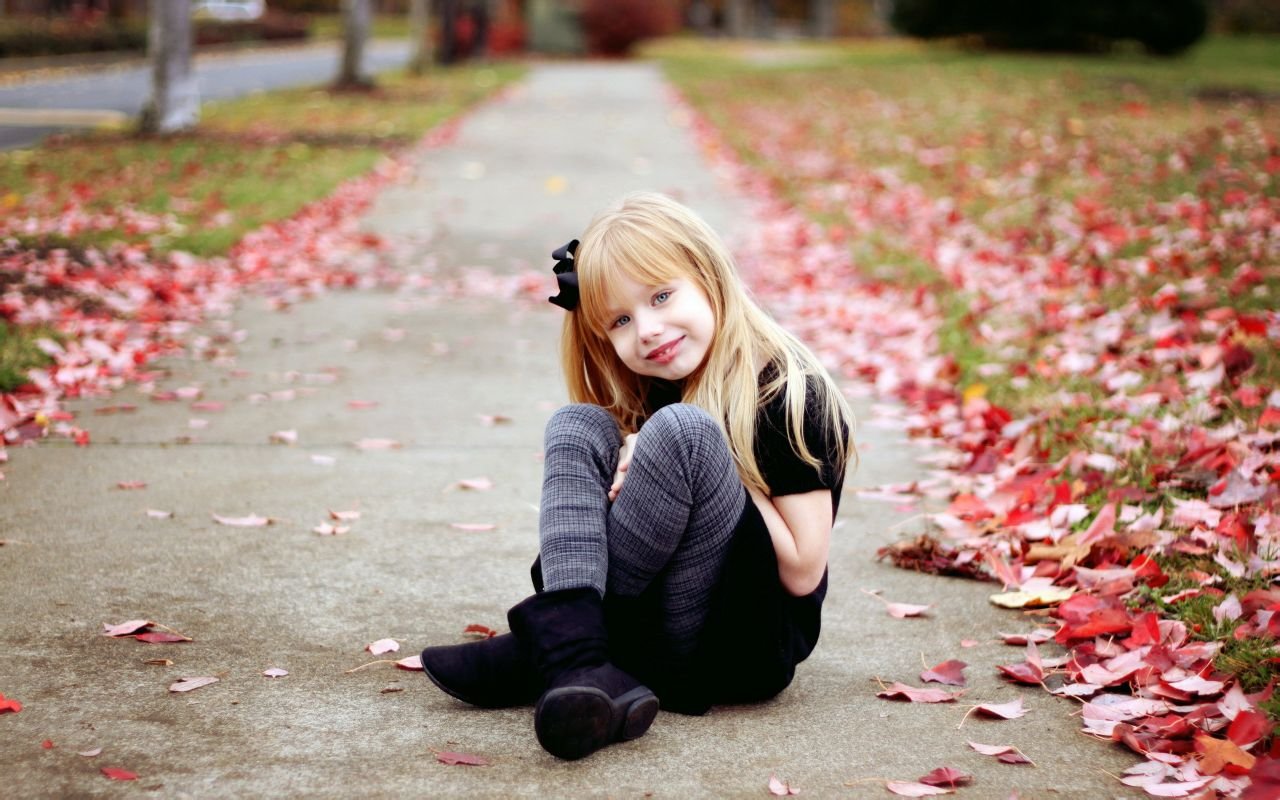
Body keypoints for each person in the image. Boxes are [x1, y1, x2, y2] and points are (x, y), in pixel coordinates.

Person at [420, 191, 855, 760]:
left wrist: (710, 452)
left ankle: (550, 651)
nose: (647, 329)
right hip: (646, 629)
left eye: (662, 296)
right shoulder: (656, 384)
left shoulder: (790, 392)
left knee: (685, 432)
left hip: (735, 645)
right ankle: (580, 658)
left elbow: (802, 570)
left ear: (709, 276)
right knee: (577, 423)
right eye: (621, 320)